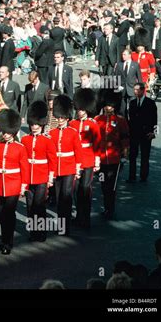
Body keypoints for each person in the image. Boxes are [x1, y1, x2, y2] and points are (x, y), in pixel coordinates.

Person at [0, 109, 29, 255]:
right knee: (1, 214)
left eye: (8, 132)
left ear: (13, 131)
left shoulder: (20, 148)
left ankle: (8, 242)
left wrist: (23, 186)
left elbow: (24, 168)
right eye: (4, 131)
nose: (5, 134)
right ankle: (3, 239)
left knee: (9, 213)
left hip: (13, 185)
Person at [21, 101, 57, 242]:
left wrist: (50, 178)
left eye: (37, 124)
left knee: (39, 205)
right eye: (32, 124)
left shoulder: (47, 140)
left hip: (42, 177)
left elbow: (52, 160)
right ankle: (33, 232)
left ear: (41, 124)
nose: (34, 127)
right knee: (30, 206)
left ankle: (41, 233)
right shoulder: (25, 139)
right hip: (29, 177)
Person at [48, 95, 83, 236]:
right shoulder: (52, 133)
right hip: (57, 168)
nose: (60, 120)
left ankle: (66, 226)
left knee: (66, 196)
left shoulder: (73, 133)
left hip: (69, 167)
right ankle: (61, 224)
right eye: (58, 117)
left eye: (62, 118)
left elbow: (78, 152)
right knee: (58, 198)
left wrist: (77, 169)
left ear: (67, 118)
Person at [95, 91, 129, 220]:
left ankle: (110, 209)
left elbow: (125, 137)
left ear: (114, 106)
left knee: (112, 185)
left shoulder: (120, 120)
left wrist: (125, 152)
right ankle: (106, 207)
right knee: (104, 185)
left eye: (110, 105)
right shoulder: (98, 120)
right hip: (102, 158)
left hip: (114, 158)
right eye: (106, 105)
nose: (108, 108)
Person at [69, 89, 101, 229]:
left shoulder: (92, 124)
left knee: (85, 188)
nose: (80, 112)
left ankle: (85, 217)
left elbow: (97, 143)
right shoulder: (72, 124)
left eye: (82, 109)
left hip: (88, 160)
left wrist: (97, 160)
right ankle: (79, 215)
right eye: (78, 109)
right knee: (75, 189)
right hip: (76, 160)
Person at [128, 82, 157, 183]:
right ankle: (132, 176)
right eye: (134, 90)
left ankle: (143, 176)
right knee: (132, 156)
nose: (135, 92)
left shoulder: (150, 103)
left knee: (145, 156)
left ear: (143, 90)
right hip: (134, 133)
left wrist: (154, 133)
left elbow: (155, 119)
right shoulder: (132, 103)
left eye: (137, 90)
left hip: (146, 133)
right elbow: (130, 119)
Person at [114, 49, 143, 117]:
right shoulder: (119, 64)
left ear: (129, 55)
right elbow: (115, 76)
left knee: (132, 108)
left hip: (132, 89)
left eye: (124, 54)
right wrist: (117, 86)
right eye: (122, 54)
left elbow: (139, 78)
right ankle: (124, 122)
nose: (123, 56)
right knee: (122, 109)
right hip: (122, 89)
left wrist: (140, 89)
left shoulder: (135, 65)